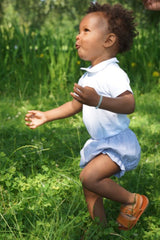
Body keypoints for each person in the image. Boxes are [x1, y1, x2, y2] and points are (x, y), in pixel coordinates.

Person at [25, 3, 149, 230]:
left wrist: (99, 101)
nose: (78, 36)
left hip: (118, 142)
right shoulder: (88, 76)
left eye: (86, 31)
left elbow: (129, 103)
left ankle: (133, 201)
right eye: (79, 30)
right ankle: (98, 229)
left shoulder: (113, 73)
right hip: (100, 142)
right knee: (91, 188)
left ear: (108, 41)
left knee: (89, 177)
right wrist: (46, 116)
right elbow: (74, 105)